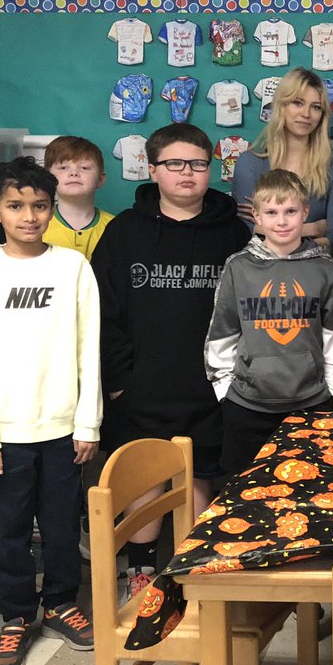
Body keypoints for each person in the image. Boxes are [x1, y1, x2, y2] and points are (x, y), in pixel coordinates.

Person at [0, 157, 100, 665]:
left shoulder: (72, 268)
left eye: (40, 205)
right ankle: (16, 616)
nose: (29, 216)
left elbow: (89, 351)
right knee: (11, 530)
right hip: (4, 432)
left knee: (62, 526)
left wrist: (88, 423)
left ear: (52, 208)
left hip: (62, 428)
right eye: (16, 206)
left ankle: (60, 602)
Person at [90, 123, 250, 599]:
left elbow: (251, 308)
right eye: (175, 164)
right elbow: (104, 313)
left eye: (198, 164)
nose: (187, 173)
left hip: (212, 389)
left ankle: (193, 574)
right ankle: (139, 573)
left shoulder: (234, 233)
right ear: (153, 169)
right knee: (148, 481)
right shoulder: (124, 232)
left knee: (202, 476)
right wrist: (120, 381)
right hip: (143, 389)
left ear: (211, 170)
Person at [205, 168, 333, 473]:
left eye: (291, 211)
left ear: (305, 212)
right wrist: (225, 390)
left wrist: (332, 388)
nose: (282, 221)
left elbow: (332, 333)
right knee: (243, 493)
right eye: (272, 211)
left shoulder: (325, 268)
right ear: (256, 216)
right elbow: (222, 333)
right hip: (247, 405)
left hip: (310, 402)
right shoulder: (238, 267)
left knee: (312, 491)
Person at [231, 67, 333, 247]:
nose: (306, 114)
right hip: (259, 271)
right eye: (298, 103)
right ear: (281, 106)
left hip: (313, 271)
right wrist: (315, 229)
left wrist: (267, 230)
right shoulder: (250, 163)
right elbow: (247, 232)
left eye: (316, 107)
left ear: (322, 115)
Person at [41, 135, 113, 259]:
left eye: (84, 168)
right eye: (63, 168)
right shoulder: (36, 225)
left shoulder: (116, 227)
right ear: (48, 178)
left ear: (100, 179)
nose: (73, 173)